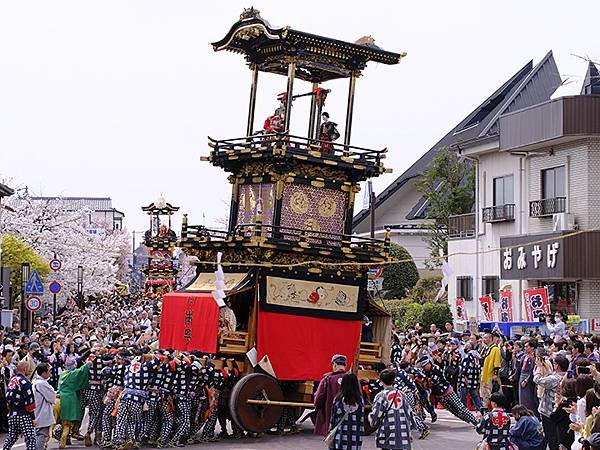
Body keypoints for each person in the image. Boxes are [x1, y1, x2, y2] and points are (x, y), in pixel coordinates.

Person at [369, 369, 426, 450]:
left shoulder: (381, 396)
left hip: (387, 433)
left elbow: (376, 415)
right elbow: (409, 413)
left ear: (381, 381)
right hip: (403, 433)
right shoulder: (402, 394)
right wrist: (412, 427)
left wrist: (371, 419)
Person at [533, 354, 568, 450]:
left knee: (551, 437)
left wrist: (539, 369)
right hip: (561, 412)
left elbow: (537, 380)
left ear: (557, 366)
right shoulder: (567, 376)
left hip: (549, 411)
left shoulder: (554, 378)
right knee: (556, 437)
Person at [3, 360, 37, 450]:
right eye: (28, 369)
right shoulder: (26, 382)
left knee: (12, 437)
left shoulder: (12, 381)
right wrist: (33, 418)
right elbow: (30, 402)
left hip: (12, 414)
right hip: (23, 414)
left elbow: (7, 397)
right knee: (31, 438)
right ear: (25, 369)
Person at [57, 360, 91, 449]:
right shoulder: (72, 374)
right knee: (69, 421)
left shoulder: (62, 374)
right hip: (70, 398)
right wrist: (87, 365)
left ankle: (66, 436)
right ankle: (67, 436)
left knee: (62, 420)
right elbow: (80, 371)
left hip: (60, 397)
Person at [327, 373, 363, 450]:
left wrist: (330, 430)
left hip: (340, 435)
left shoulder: (338, 399)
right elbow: (361, 419)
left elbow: (333, 419)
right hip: (355, 436)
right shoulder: (360, 400)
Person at [314, 354, 347, 436]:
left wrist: (317, 406)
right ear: (345, 365)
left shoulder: (327, 379)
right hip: (348, 419)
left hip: (331, 417)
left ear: (334, 364)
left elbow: (318, 397)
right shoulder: (354, 379)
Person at [32, 363, 56, 450]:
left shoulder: (35, 381)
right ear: (44, 373)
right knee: (41, 434)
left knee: (38, 434)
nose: (50, 373)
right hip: (42, 413)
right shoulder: (42, 383)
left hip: (37, 411)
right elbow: (52, 397)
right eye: (49, 371)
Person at [459, 342, 484, 412]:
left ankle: (463, 411)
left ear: (468, 348)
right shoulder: (477, 356)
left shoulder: (468, 356)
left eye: (466, 346)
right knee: (475, 396)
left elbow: (466, 368)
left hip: (466, 380)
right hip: (474, 379)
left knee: (463, 396)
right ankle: (480, 408)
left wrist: (465, 378)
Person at [480, 331, 502, 409]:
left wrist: (495, 374)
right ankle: (485, 408)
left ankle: (494, 409)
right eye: (483, 338)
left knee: (492, 394)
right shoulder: (485, 348)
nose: (484, 340)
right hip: (483, 374)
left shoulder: (495, 349)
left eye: (486, 338)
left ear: (490, 338)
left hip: (491, 375)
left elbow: (497, 362)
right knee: (484, 394)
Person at [519, 339, 539, 412]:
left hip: (528, 377)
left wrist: (526, 380)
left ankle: (530, 412)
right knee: (522, 397)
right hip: (522, 375)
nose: (525, 348)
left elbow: (532, 370)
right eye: (525, 346)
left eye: (527, 346)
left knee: (528, 398)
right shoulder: (524, 356)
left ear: (532, 347)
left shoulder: (533, 357)